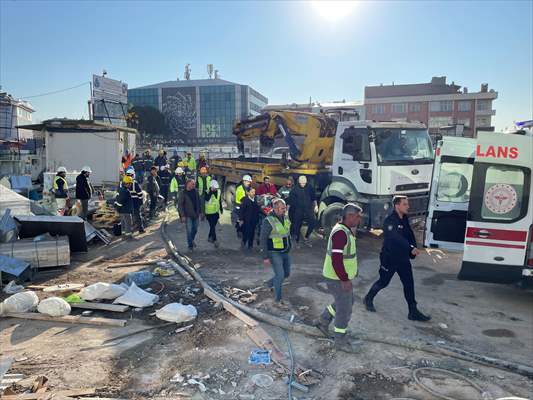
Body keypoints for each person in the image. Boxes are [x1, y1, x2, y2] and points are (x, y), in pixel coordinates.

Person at [364, 196, 431, 322]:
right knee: (383, 282)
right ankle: (368, 298)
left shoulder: (405, 219)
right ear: (397, 206)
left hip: (403, 258)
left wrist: (414, 248)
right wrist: (410, 247)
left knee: (409, 284)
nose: (408, 206)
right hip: (389, 258)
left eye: (407, 204)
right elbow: (395, 237)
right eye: (405, 204)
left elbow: (409, 235)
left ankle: (413, 311)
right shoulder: (389, 221)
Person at [314, 203, 363, 352]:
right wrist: (344, 279)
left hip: (338, 276)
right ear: (349, 216)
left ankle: (323, 320)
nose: (359, 219)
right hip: (336, 278)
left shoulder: (345, 230)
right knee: (345, 308)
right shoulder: (341, 233)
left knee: (347, 301)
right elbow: (336, 260)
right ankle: (339, 339)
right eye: (357, 216)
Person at [260, 198, 292, 309]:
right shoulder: (268, 221)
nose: (285, 210)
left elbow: (286, 233)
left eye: (285, 208)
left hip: (285, 251)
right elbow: (263, 239)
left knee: (286, 273)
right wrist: (265, 256)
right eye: (283, 208)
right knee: (280, 275)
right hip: (274, 252)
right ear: (276, 209)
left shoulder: (285, 217)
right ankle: (277, 300)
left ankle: (269, 284)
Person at [288, 176, 317, 247]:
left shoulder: (310, 188)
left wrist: (316, 206)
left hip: (308, 209)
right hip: (298, 209)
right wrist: (287, 210)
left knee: (313, 222)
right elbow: (290, 201)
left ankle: (306, 237)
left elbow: (314, 198)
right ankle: (297, 240)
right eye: (301, 183)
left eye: (304, 183)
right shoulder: (294, 190)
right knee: (297, 225)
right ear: (299, 182)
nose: (303, 185)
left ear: (306, 182)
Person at [178, 179, 203, 251]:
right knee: (189, 230)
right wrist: (182, 216)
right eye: (193, 184)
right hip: (188, 215)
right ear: (188, 184)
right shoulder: (183, 193)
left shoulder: (196, 191)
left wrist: (201, 212)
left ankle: (191, 240)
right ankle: (190, 246)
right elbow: (180, 205)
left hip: (196, 214)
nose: (194, 185)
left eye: (194, 184)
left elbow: (199, 202)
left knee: (195, 229)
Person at [204, 180, 223, 248]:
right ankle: (215, 240)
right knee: (212, 226)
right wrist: (211, 192)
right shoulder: (207, 192)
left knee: (213, 226)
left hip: (216, 212)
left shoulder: (219, 191)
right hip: (209, 213)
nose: (215, 189)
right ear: (211, 187)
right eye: (214, 188)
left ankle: (209, 237)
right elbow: (207, 199)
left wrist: (221, 209)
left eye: (216, 188)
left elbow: (219, 200)